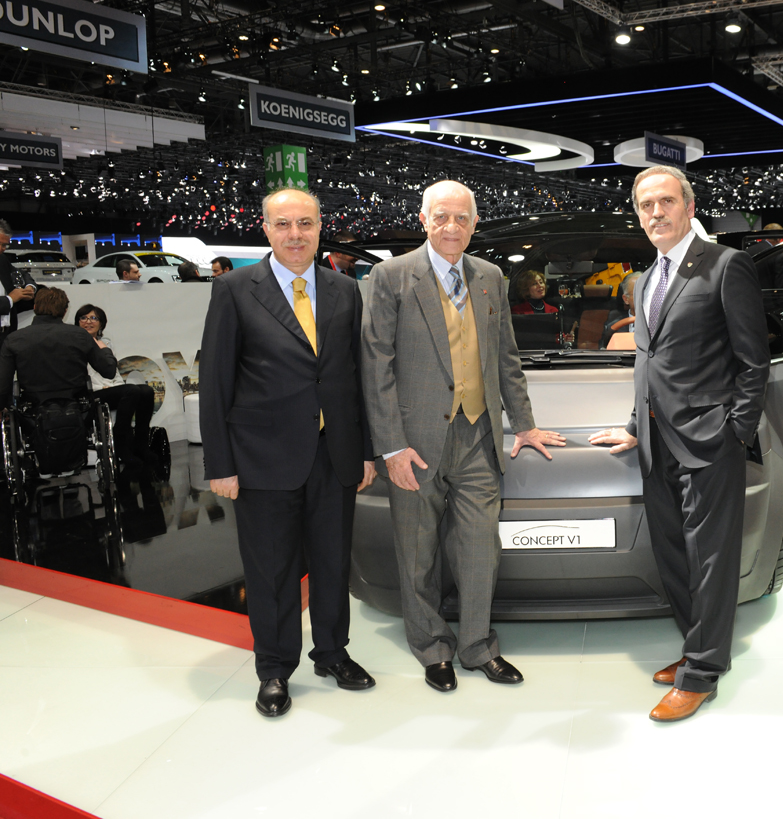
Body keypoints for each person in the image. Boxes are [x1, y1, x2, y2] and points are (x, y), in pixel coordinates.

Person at [361, 180, 565, 694]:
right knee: (418, 553)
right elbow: (376, 364)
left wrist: (524, 423)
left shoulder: (490, 277)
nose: (451, 227)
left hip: (478, 436)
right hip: (414, 441)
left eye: (461, 218)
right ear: (424, 220)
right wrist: (390, 446)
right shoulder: (391, 276)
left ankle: (477, 646)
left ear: (474, 224)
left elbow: (505, 358)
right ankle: (433, 647)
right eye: (441, 217)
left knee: (479, 550)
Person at [589, 165, 769, 723]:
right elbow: (650, 364)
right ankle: (696, 647)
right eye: (645, 205)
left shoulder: (725, 265)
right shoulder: (647, 279)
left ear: (689, 208)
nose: (656, 212)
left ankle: (702, 673)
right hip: (657, 443)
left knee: (710, 559)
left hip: (710, 442)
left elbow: (754, 361)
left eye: (666, 201)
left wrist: (736, 431)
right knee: (674, 555)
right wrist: (634, 426)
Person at [200, 188, 378, 719]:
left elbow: (355, 376)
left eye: (305, 223)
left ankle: (333, 652)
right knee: (271, 570)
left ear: (321, 227)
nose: (295, 234)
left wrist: (366, 451)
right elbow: (216, 381)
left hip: (334, 453)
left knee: (332, 563)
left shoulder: (345, 289)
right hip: (261, 457)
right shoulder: (234, 289)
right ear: (266, 229)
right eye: (283, 224)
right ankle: (274, 668)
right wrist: (220, 464)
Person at [0, 287, 116, 410]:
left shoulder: (14, 339)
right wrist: (105, 350)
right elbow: (109, 371)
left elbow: (3, 384)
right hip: (77, 408)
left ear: (35, 307)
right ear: (65, 311)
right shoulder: (81, 336)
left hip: (33, 409)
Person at [74, 304, 157, 469]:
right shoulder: (74, 344)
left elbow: (114, 372)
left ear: (101, 323)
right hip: (92, 393)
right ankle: (121, 442)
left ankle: (141, 443)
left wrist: (118, 387)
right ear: (77, 322)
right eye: (83, 318)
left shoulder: (105, 343)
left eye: (93, 318)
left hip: (112, 389)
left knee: (146, 391)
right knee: (131, 390)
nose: (88, 322)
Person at [0, 220, 37, 351]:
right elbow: (11, 298)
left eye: (5, 245)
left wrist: (29, 287)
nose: (3, 249)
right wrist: (10, 299)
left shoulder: (2, 260)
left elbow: (22, 274)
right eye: (1, 244)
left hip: (6, 335)